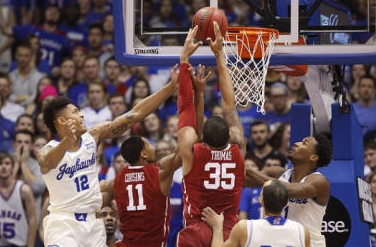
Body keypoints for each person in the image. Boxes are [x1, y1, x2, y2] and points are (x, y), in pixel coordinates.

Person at [36, 64, 179, 247]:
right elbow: (46, 161)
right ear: (62, 121)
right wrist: (66, 142)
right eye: (75, 112)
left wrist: (171, 87)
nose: (82, 116)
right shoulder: (47, 149)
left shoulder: (93, 137)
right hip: (64, 223)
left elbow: (134, 114)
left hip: (94, 222)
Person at [176, 23, 246, 246]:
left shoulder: (193, 150)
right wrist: (220, 54)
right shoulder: (238, 147)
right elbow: (229, 106)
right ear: (229, 137)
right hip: (229, 230)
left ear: (202, 139)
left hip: (196, 228)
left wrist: (185, 59)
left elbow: (185, 107)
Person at [245, 133, 332, 247]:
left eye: (304, 143)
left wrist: (247, 170)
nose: (296, 143)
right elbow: (242, 180)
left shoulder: (320, 181)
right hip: (282, 242)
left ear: (313, 157)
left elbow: (288, 190)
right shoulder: (278, 173)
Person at [105, 135, 182, 247]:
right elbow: (183, 149)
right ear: (144, 154)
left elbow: (97, 196)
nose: (153, 148)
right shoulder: (158, 174)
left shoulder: (116, 180)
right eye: (149, 145)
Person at [201, 180, 310, 247]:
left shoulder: (244, 228)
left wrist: (217, 226)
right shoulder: (302, 231)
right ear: (286, 202)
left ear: (261, 201)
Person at [0, 152, 37, 247]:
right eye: (0, 164)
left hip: (20, 244)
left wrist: (30, 245)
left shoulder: (24, 189)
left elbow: (33, 219)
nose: (3, 167)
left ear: (12, 168)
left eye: (7, 163)